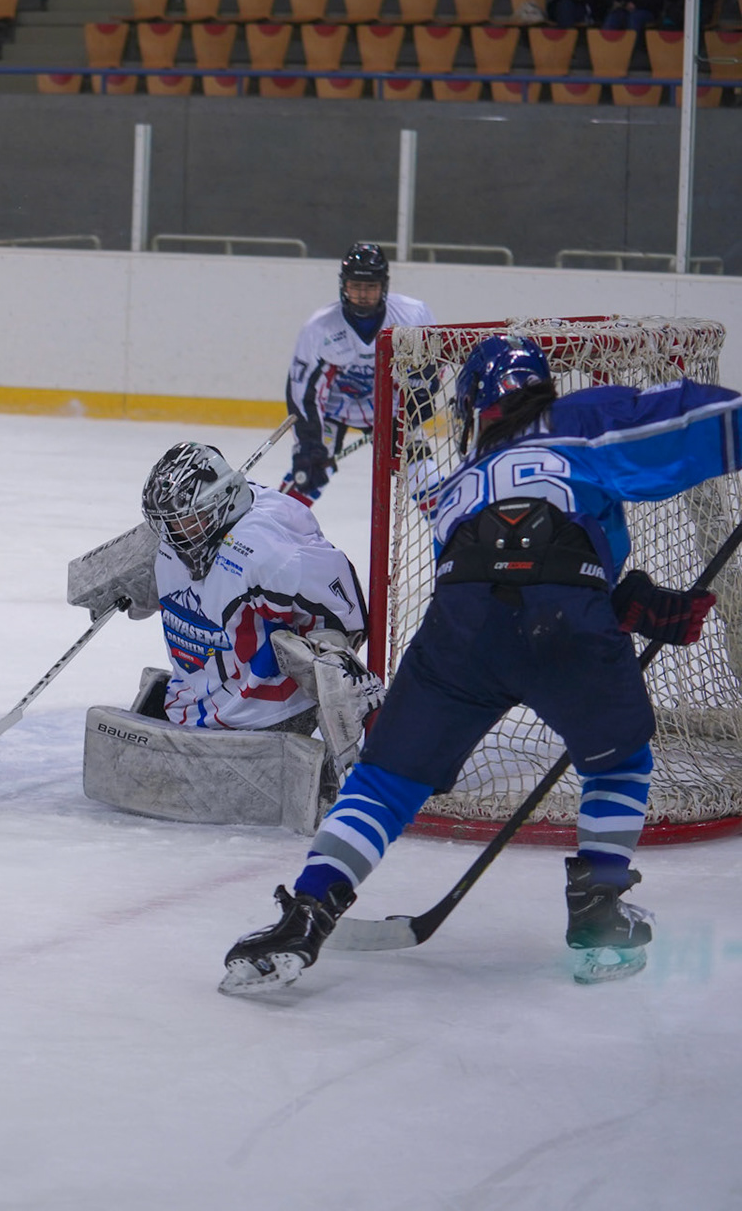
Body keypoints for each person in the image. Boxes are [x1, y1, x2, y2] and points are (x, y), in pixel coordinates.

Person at [221, 335, 742, 995]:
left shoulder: (458, 486)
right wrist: (629, 607)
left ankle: (306, 914)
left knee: (385, 782)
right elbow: (684, 433)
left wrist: (621, 605)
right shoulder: (575, 421)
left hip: (459, 632)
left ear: (472, 410)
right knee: (619, 761)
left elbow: (499, 570)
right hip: (564, 620)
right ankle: (599, 912)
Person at [75, 444, 379, 831]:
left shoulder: (270, 555)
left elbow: (345, 615)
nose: (172, 534)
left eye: (183, 521)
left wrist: (320, 657)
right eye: (164, 523)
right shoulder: (174, 537)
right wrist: (121, 579)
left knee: (330, 664)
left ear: (218, 506)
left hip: (264, 719)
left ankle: (360, 778)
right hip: (191, 703)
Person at [282, 242, 436, 505]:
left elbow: (429, 369)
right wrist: (308, 444)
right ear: (344, 286)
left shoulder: (412, 316)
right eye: (355, 286)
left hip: (391, 408)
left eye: (370, 287)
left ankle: (449, 527)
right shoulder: (319, 328)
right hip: (333, 409)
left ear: (383, 287)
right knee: (307, 476)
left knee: (425, 479)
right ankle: (273, 522)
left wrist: (411, 411)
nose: (363, 295)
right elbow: (303, 393)